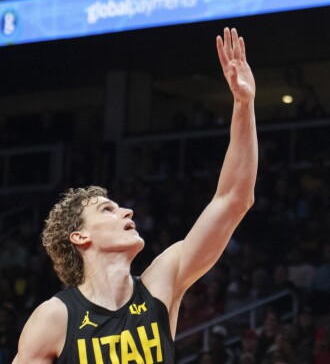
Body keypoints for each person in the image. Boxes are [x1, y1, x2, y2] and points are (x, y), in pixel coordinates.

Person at [12, 27, 258, 363]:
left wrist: (244, 105)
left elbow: (233, 199)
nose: (127, 211)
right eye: (107, 209)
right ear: (80, 236)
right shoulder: (55, 319)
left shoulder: (161, 282)